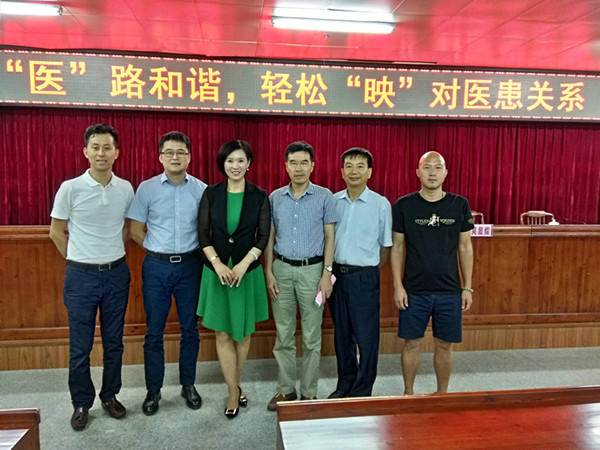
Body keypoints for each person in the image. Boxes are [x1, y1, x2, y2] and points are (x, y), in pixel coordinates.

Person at [49, 123, 134, 430]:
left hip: (116, 274)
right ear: (85, 151)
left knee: (114, 342)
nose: (101, 153)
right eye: (95, 147)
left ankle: (110, 395)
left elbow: (128, 228)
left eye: (107, 148)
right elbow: (56, 232)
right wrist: (79, 258)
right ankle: (81, 402)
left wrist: (108, 253)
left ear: (116, 153)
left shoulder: (125, 188)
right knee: (80, 345)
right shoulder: (70, 188)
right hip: (80, 277)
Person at [127, 131, 206, 415]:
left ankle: (188, 384)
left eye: (181, 152)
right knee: (154, 331)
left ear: (189, 157)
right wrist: (156, 250)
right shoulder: (147, 189)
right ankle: (153, 390)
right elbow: (135, 230)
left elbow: (207, 230)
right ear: (160, 157)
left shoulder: (202, 190)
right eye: (169, 152)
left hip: (190, 266)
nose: (175, 157)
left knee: (190, 329)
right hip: (156, 267)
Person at [197, 140, 270, 419]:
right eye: (230, 161)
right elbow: (203, 233)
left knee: (243, 332)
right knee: (223, 332)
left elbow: (263, 236)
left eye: (241, 160)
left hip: (246, 272)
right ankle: (232, 391)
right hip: (217, 272)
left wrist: (244, 264)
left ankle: (235, 384)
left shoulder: (259, 196)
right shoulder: (211, 193)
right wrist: (217, 263)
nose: (235, 166)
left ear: (249, 163)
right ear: (223, 163)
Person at [390, 151, 474, 395]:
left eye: (438, 167)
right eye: (427, 167)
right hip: (414, 290)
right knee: (411, 343)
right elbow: (397, 247)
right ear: (418, 172)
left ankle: (442, 394)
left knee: (445, 344)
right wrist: (398, 285)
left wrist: (467, 286)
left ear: (446, 173)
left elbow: (465, 247)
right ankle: (408, 393)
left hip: (449, 290)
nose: (433, 172)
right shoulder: (404, 205)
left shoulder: (459, 204)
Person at [264, 141, 337, 411]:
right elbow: (269, 237)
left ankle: (309, 392)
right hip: (281, 270)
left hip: (313, 271)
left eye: (304, 162)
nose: (298, 168)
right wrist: (268, 271)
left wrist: (326, 274)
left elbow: (330, 237)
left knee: (311, 337)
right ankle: (286, 390)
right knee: (283, 335)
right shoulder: (275, 198)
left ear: (312, 166)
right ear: (286, 166)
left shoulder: (325, 196)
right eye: (293, 163)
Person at [328, 147, 392, 399]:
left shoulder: (380, 204)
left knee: (366, 336)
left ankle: (362, 390)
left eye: (360, 166)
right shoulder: (333, 201)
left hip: (365, 277)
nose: (354, 171)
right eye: (349, 166)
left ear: (370, 172)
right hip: (336, 276)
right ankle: (345, 383)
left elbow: (386, 247)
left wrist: (366, 269)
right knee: (342, 335)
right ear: (342, 171)